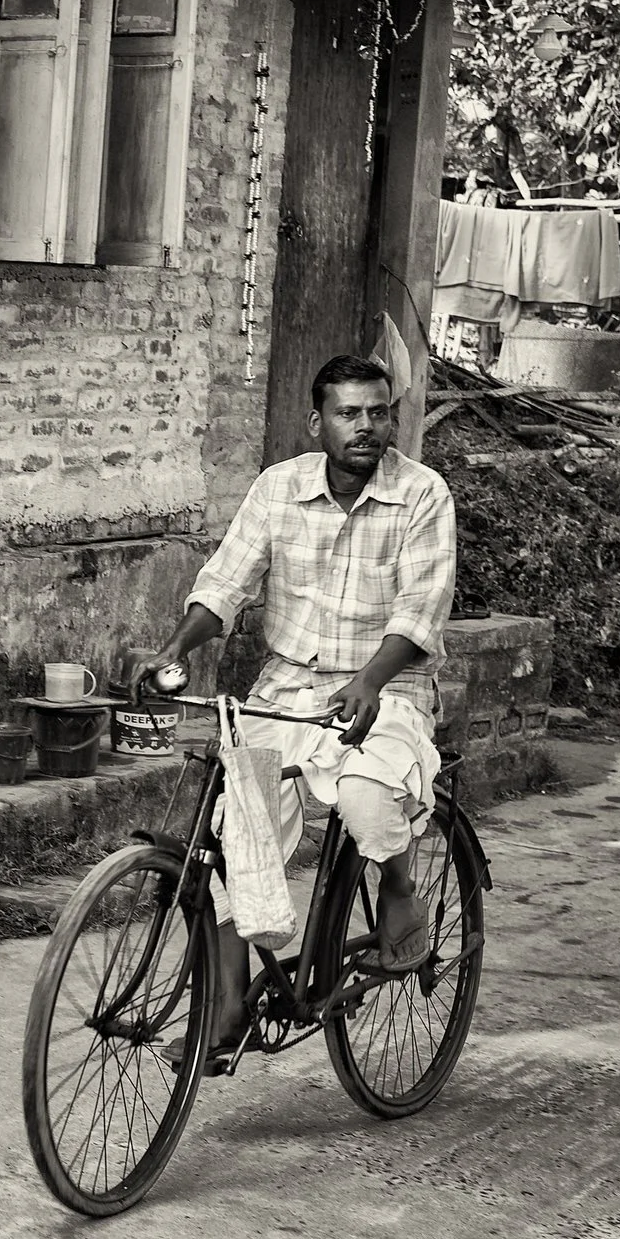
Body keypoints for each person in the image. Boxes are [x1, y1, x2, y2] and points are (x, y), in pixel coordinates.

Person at [140, 354, 456, 1071]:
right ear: (317, 422)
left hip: (388, 685)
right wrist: (177, 648)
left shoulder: (422, 494)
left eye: (378, 412)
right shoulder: (277, 489)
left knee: (365, 795)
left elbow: (422, 609)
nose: (366, 427)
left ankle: (400, 889)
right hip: (285, 691)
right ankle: (225, 1004)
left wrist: (373, 679)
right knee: (236, 835)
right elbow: (226, 581)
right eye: (349, 413)